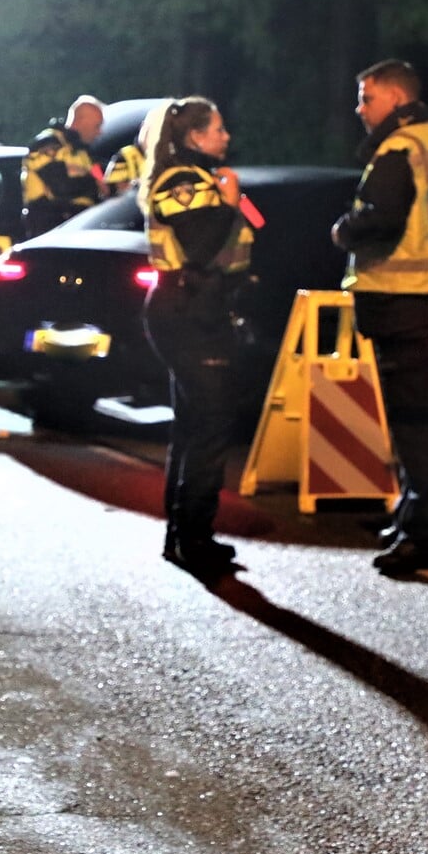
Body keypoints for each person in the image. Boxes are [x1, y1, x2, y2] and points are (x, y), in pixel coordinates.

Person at [330, 59, 428, 576]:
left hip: (403, 299)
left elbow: (381, 220)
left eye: (366, 97)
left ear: (394, 98)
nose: (360, 109)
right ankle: (414, 512)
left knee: (413, 425)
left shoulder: (398, 150)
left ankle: (422, 536)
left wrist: (344, 231)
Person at [140, 96, 254, 577]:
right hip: (190, 310)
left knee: (193, 427)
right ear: (193, 137)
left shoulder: (198, 178)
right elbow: (201, 246)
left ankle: (184, 536)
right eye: (218, 129)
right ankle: (193, 539)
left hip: (197, 308)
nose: (226, 137)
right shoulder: (181, 180)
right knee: (209, 428)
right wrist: (229, 205)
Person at [22, 94, 104, 237]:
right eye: (97, 126)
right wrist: (93, 184)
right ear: (81, 121)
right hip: (49, 231)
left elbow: (103, 186)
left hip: (79, 230)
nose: (99, 132)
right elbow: (61, 187)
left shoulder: (82, 152)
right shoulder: (47, 144)